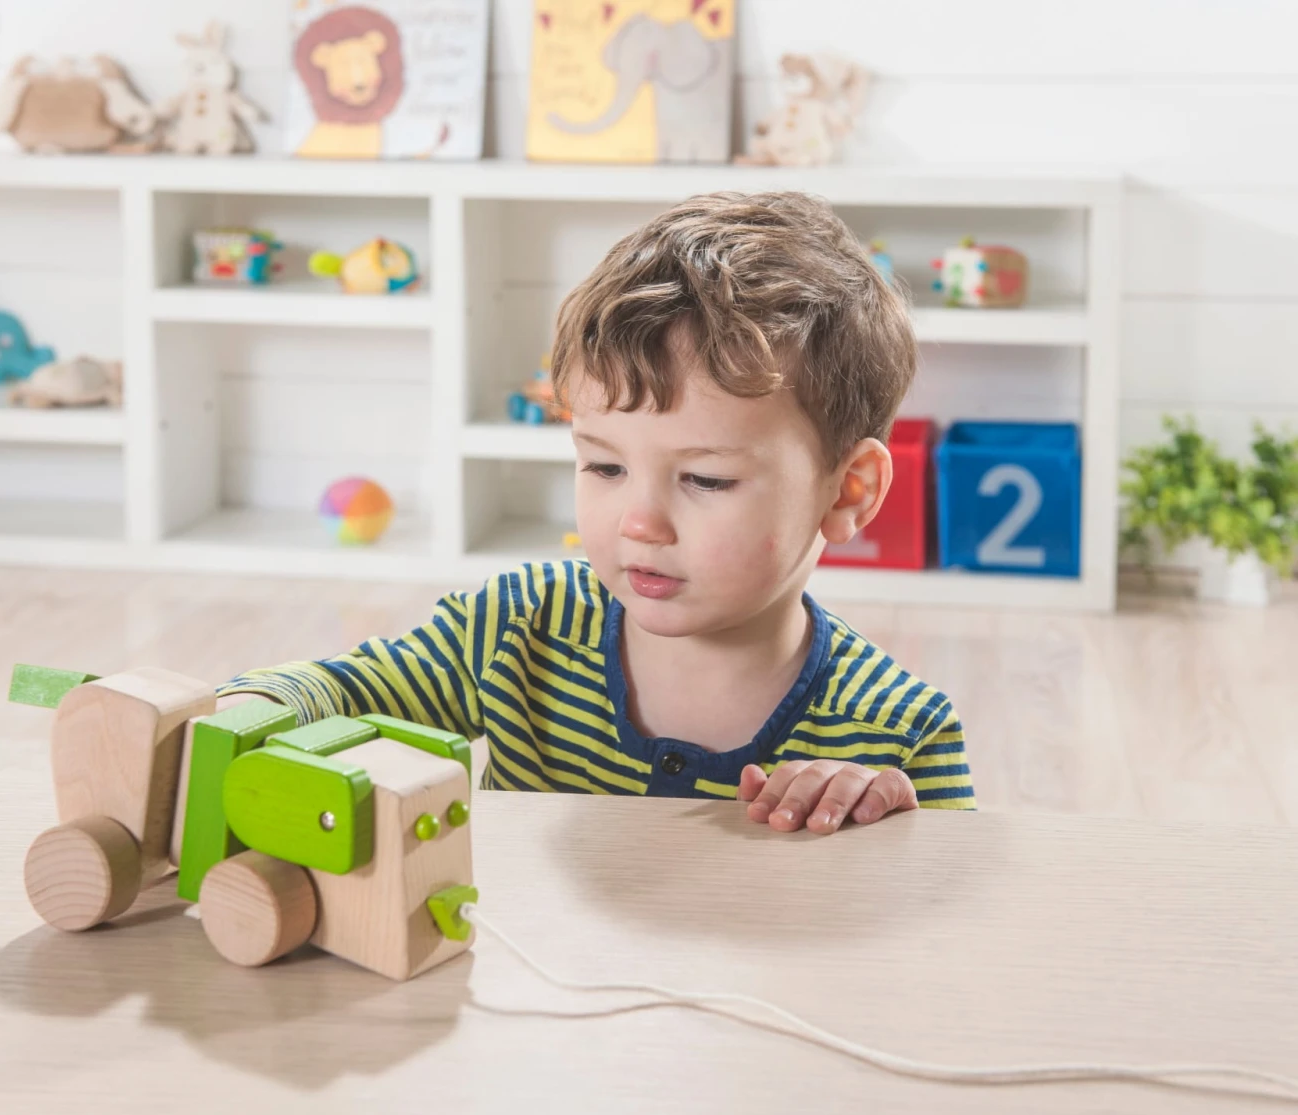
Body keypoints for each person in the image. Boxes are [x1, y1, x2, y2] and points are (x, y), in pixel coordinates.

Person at [221, 191, 973, 835]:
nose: (638, 523)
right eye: (606, 466)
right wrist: (243, 712)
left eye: (706, 479)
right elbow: (339, 694)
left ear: (849, 492)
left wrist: (883, 827)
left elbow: (952, 921)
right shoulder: (518, 626)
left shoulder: (902, 735)